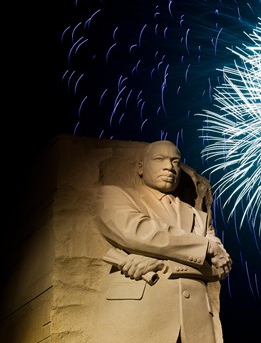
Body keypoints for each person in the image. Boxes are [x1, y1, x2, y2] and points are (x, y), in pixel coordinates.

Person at [93, 140, 233, 343]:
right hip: (139, 315)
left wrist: (164, 264)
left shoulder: (198, 217)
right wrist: (205, 246)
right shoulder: (114, 195)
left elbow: (221, 268)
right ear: (140, 167)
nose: (169, 167)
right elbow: (137, 231)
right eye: (159, 159)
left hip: (197, 324)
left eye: (175, 161)